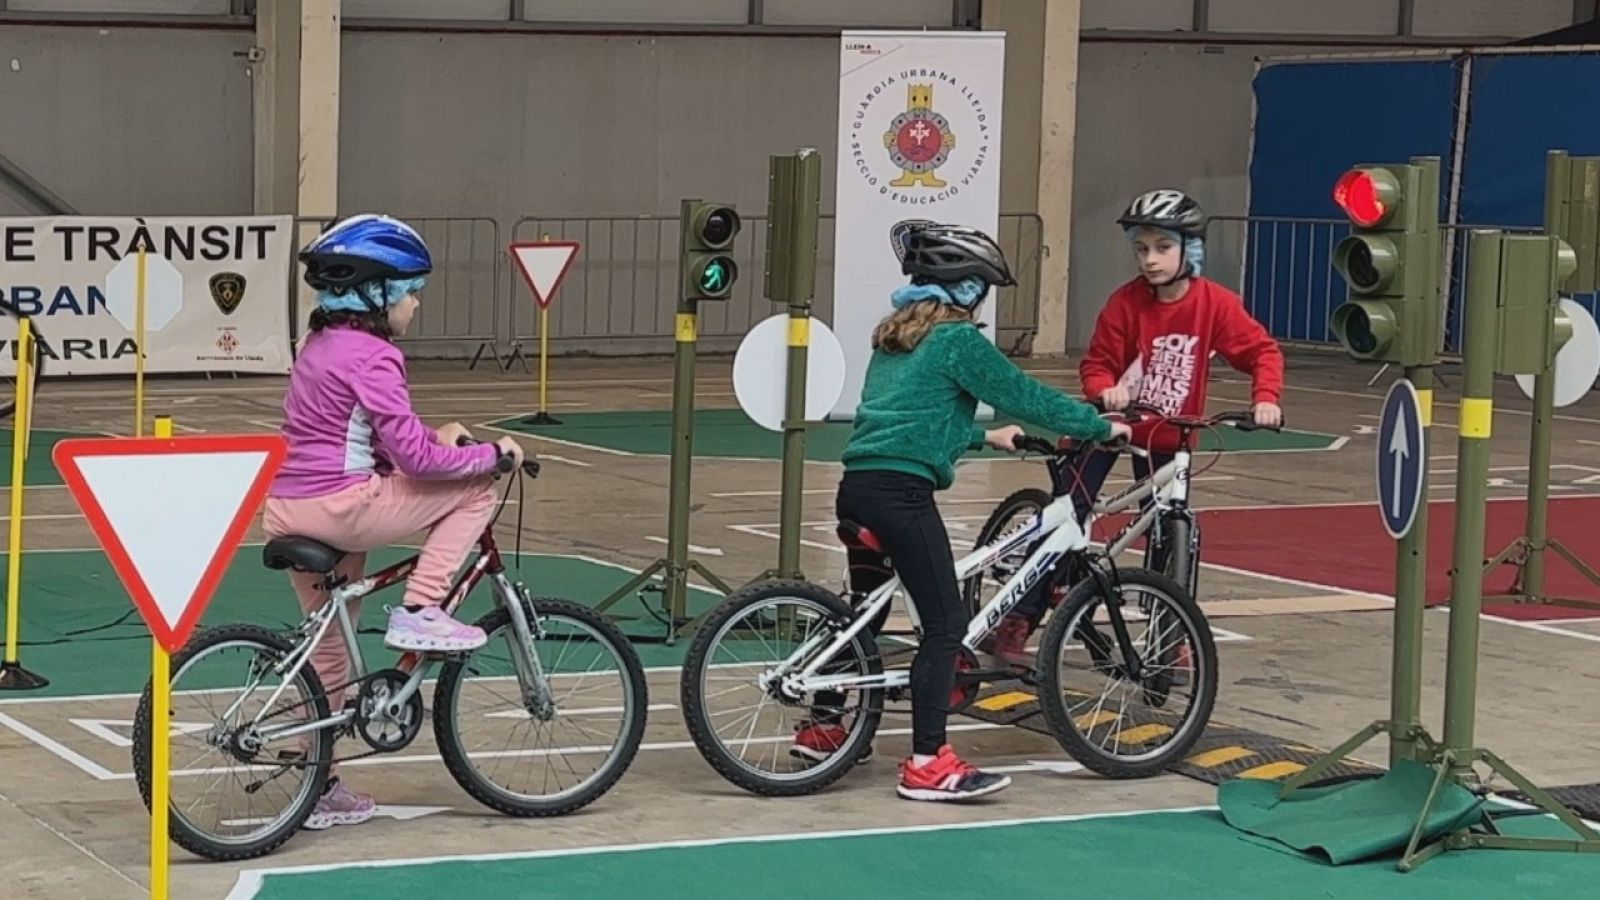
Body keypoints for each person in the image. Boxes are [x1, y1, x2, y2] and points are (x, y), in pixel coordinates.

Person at [791, 219, 1131, 803]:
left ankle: (825, 726)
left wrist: (981, 439)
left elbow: (903, 420)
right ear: (968, 289)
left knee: (864, 612)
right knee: (946, 625)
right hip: (902, 497)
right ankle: (928, 762)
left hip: (860, 487)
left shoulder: (895, 338)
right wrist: (1100, 426)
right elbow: (1024, 394)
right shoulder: (957, 341)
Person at [261, 214, 525, 830]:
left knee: (328, 650)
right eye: (409, 291)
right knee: (476, 491)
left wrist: (439, 437)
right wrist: (488, 455)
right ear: (376, 293)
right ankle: (424, 609)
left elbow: (366, 439)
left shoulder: (318, 346)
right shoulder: (376, 355)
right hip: (345, 507)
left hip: (290, 508)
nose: (414, 303)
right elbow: (413, 460)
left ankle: (316, 783)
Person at [984, 189, 1285, 665]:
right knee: (1071, 516)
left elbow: (1261, 351)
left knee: (1173, 530)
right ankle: (1020, 616)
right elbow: (1097, 363)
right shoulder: (1126, 303)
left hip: (1170, 434)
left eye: (1162, 248)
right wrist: (1107, 391)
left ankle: (1172, 631)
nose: (1149, 260)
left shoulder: (1216, 305)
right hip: (1108, 427)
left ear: (1191, 250)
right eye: (1141, 249)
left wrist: (1265, 399)